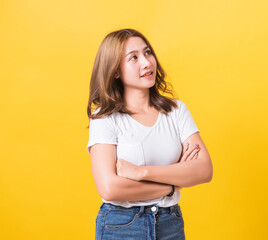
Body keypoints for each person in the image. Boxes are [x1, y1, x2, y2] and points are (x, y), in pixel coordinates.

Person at [86, 28, 213, 240]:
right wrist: (174, 183)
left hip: (169, 223)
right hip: (121, 225)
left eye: (147, 53)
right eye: (133, 57)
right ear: (115, 71)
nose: (146, 63)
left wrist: (141, 173)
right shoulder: (105, 117)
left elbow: (203, 170)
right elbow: (110, 188)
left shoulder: (175, 110)